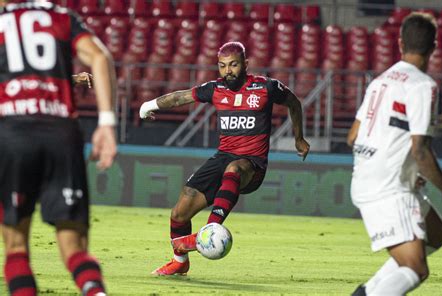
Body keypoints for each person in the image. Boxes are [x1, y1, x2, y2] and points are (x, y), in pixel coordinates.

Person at [139, 41, 310, 276]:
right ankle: (180, 261)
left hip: (252, 164)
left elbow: (294, 103)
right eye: (222, 66)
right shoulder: (215, 88)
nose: (227, 71)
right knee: (179, 212)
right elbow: (180, 98)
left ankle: (210, 230)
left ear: (245, 64)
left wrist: (299, 138)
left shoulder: (266, 87)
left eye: (233, 65)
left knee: (234, 168)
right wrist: (148, 105)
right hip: (222, 157)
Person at [347, 13, 442, 296]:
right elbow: (420, 149)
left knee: (438, 235)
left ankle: (365, 293)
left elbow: (352, 136)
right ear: (434, 47)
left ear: (400, 41)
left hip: (368, 176)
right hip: (389, 187)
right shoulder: (421, 86)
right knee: (416, 269)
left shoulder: (380, 81)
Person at [0, 1, 117, 295]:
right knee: (75, 249)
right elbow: (100, 58)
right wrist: (106, 123)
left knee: (16, 248)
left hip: (13, 135)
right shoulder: (61, 17)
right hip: (61, 134)